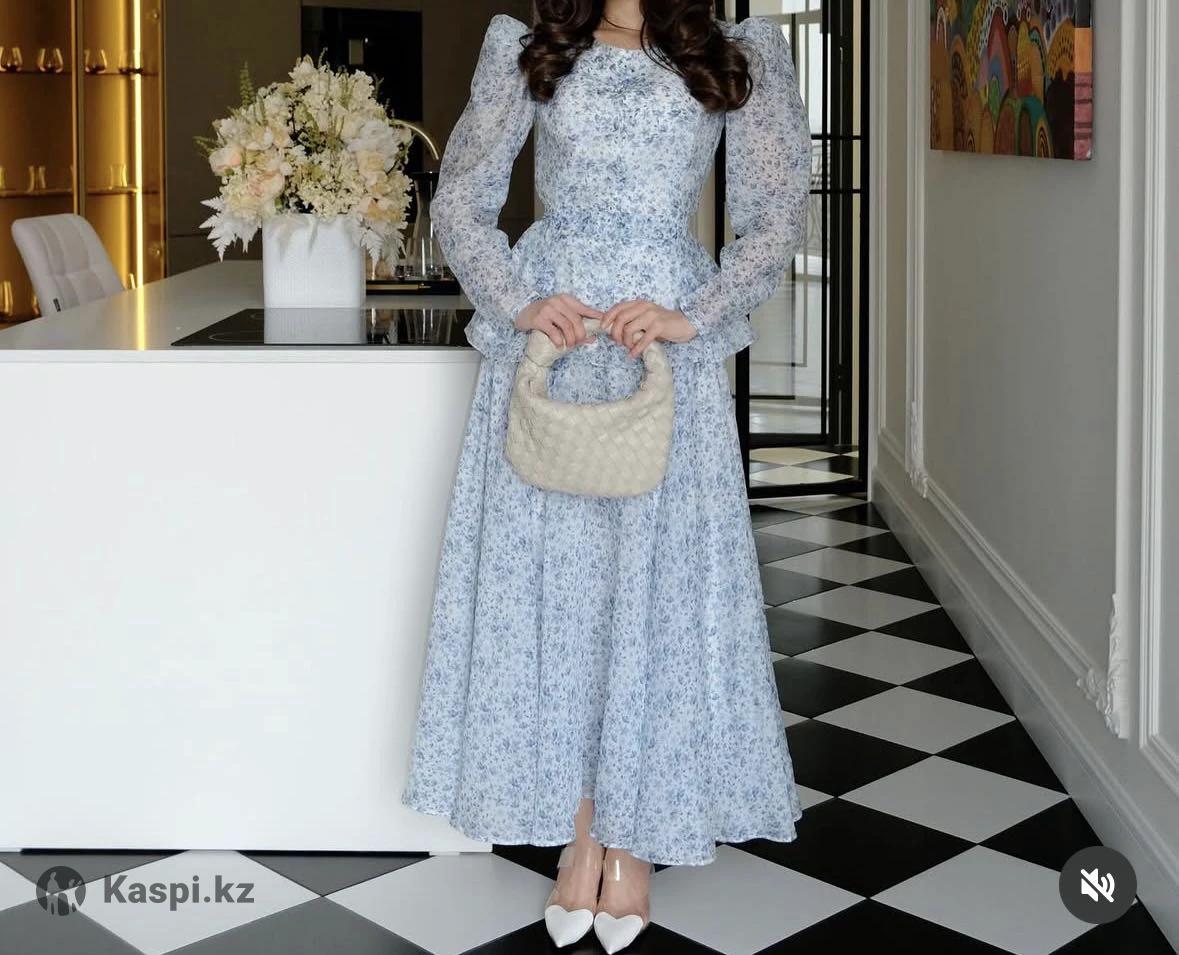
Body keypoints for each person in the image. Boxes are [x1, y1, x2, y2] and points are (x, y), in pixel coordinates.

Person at [401, 1, 811, 950]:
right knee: (562, 595)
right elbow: (461, 197)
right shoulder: (530, 48)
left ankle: (632, 835)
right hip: (555, 339)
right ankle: (580, 830)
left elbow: (773, 213)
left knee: (654, 593)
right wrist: (516, 297)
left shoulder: (734, 53)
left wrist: (696, 312)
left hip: (659, 341)